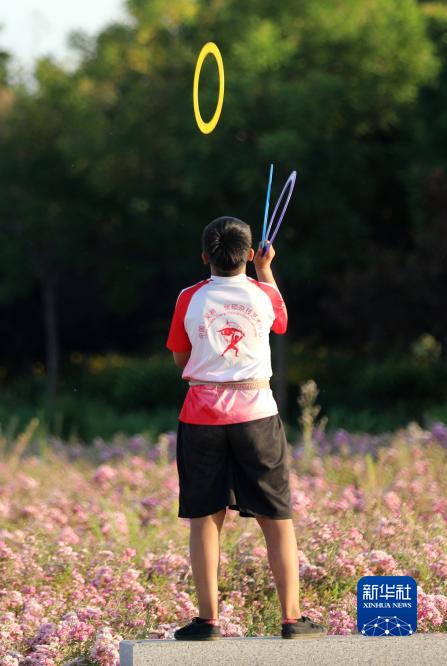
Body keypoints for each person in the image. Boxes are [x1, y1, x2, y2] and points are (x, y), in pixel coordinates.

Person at [165, 216, 325, 640]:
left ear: (205, 257)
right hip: (257, 414)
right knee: (276, 518)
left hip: (200, 417)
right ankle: (292, 618)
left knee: (205, 517)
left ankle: (207, 621)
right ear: (251, 254)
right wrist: (267, 270)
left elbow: (181, 359)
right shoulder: (262, 292)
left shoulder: (188, 297)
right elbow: (282, 323)